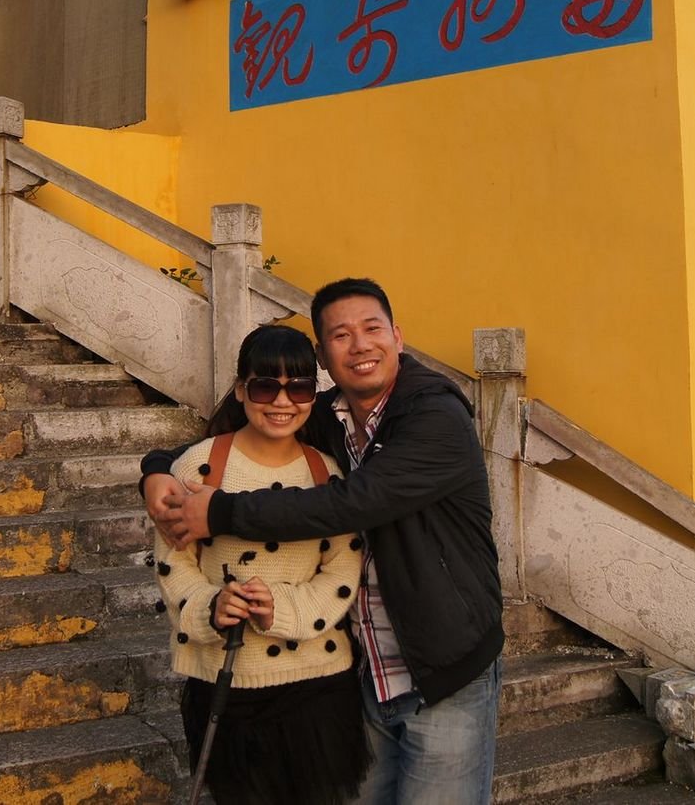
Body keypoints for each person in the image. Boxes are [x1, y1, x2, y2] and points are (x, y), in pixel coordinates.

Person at [144, 278, 504, 804]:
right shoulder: (328, 415)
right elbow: (237, 427)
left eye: (372, 329)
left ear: (397, 336)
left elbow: (351, 502)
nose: (360, 345)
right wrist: (155, 469)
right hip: (366, 671)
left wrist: (220, 512)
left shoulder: (435, 416)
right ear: (323, 356)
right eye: (341, 335)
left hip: (444, 667)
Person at [153, 323, 369, 805]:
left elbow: (342, 567)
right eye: (265, 387)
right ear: (240, 389)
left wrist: (283, 608)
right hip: (226, 680)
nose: (282, 401)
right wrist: (211, 606)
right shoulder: (198, 466)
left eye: (300, 388)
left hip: (317, 680)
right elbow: (173, 561)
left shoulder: (326, 471)